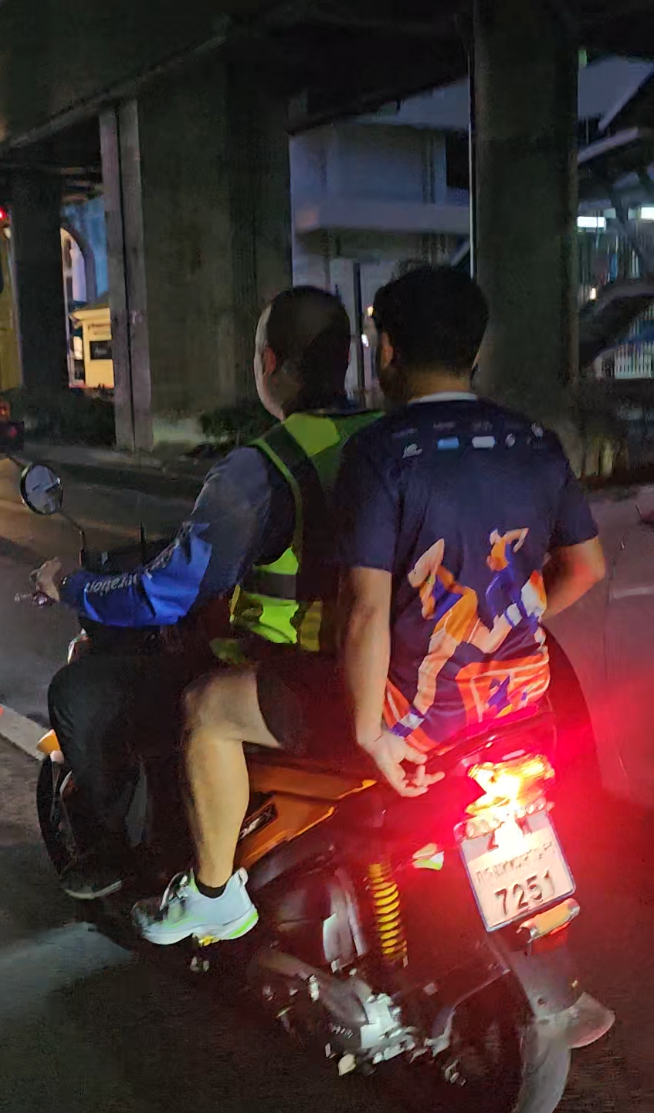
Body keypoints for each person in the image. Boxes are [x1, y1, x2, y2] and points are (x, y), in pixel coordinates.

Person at [135, 266, 605, 946]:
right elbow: (586, 567)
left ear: (386, 351)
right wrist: (510, 618)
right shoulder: (533, 443)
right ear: (475, 349)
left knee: (206, 706)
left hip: (420, 719)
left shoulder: (383, 452)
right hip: (521, 710)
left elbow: (363, 613)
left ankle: (213, 896)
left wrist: (370, 733)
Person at [35, 286, 378, 904]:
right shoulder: (387, 436)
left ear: (268, 363)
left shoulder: (263, 468)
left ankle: (142, 862)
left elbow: (166, 592)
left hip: (292, 675)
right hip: (384, 672)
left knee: (82, 692)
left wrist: (72, 586)